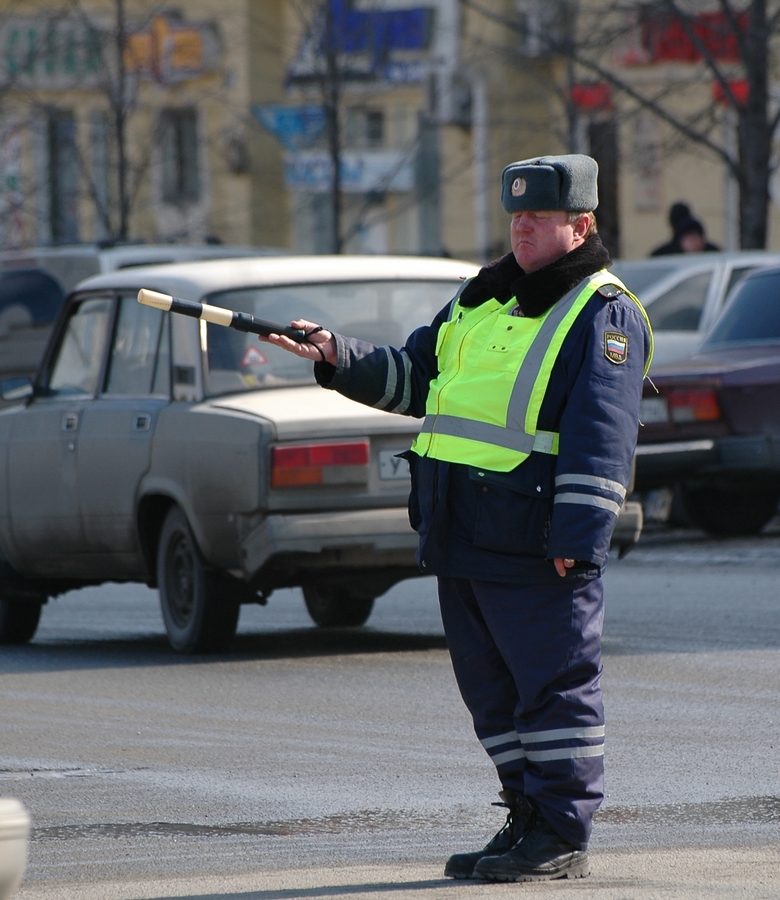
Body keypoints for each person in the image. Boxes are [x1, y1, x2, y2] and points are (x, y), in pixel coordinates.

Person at [265, 154, 652, 883]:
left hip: (537, 541)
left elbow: (604, 435)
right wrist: (333, 353)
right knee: (492, 692)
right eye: (516, 216)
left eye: (539, 217)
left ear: (582, 225)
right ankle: (525, 817)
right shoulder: (483, 298)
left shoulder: (604, 312)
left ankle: (561, 833)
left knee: (555, 687)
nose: (523, 227)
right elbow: (416, 377)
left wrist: (579, 538)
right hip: (465, 534)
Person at [650, 201, 721, 255]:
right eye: (689, 238)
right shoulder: (664, 255)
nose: (693, 242)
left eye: (695, 237)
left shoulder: (713, 254)